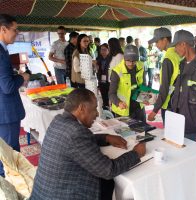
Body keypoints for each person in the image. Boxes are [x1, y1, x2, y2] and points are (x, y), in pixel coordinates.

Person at [30, 88, 145, 200]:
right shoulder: (75, 132)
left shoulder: (59, 120)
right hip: (65, 194)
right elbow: (108, 170)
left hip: (45, 193)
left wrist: (106, 137)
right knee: (111, 182)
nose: (97, 113)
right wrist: (136, 153)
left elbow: (77, 143)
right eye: (94, 108)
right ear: (82, 108)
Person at [169, 30, 196, 141]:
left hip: (193, 125)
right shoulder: (181, 64)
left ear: (183, 44)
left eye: (176, 46)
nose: (175, 49)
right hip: (178, 121)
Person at [0, 14, 30, 177]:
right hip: (6, 112)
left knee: (5, 153)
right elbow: (7, 86)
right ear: (3, 29)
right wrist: (22, 77)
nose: (17, 32)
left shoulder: (3, 51)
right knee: (9, 155)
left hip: (4, 110)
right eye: (14, 29)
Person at [147, 27, 181, 123]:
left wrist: (154, 111)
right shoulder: (178, 53)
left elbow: (165, 88)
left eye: (157, 41)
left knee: (171, 135)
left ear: (165, 40)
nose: (156, 44)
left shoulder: (168, 58)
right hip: (179, 101)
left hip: (169, 103)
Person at [109, 45, 147, 122]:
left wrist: (146, 96)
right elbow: (111, 94)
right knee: (126, 133)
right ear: (124, 58)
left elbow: (143, 85)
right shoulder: (116, 71)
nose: (131, 63)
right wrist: (118, 102)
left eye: (134, 61)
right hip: (123, 110)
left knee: (143, 131)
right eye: (128, 60)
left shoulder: (141, 67)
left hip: (139, 107)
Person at [96, 43, 111, 109]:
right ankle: (105, 108)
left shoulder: (111, 59)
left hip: (109, 81)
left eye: (104, 50)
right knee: (103, 96)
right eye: (101, 50)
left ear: (108, 50)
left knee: (109, 97)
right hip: (101, 81)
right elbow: (98, 71)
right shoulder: (99, 58)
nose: (102, 51)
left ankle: (110, 109)